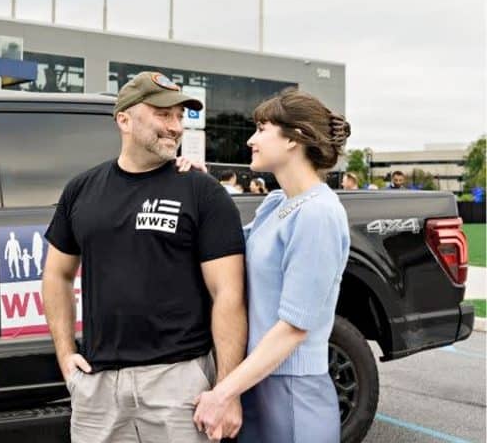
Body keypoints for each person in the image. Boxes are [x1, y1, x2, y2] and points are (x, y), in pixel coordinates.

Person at [42, 71, 247, 443]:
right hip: (97, 388)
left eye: (179, 116)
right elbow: (56, 274)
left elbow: (228, 296)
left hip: (179, 386)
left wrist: (226, 390)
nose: (175, 127)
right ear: (124, 119)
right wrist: (65, 355)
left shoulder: (203, 192)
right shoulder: (81, 190)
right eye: (162, 114)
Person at [193, 89, 351, 443]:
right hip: (258, 380)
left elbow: (294, 327)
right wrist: (197, 187)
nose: (251, 139)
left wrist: (222, 393)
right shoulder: (278, 203)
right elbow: (228, 249)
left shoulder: (318, 215)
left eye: (262, 129)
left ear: (295, 138)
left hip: (292, 393)